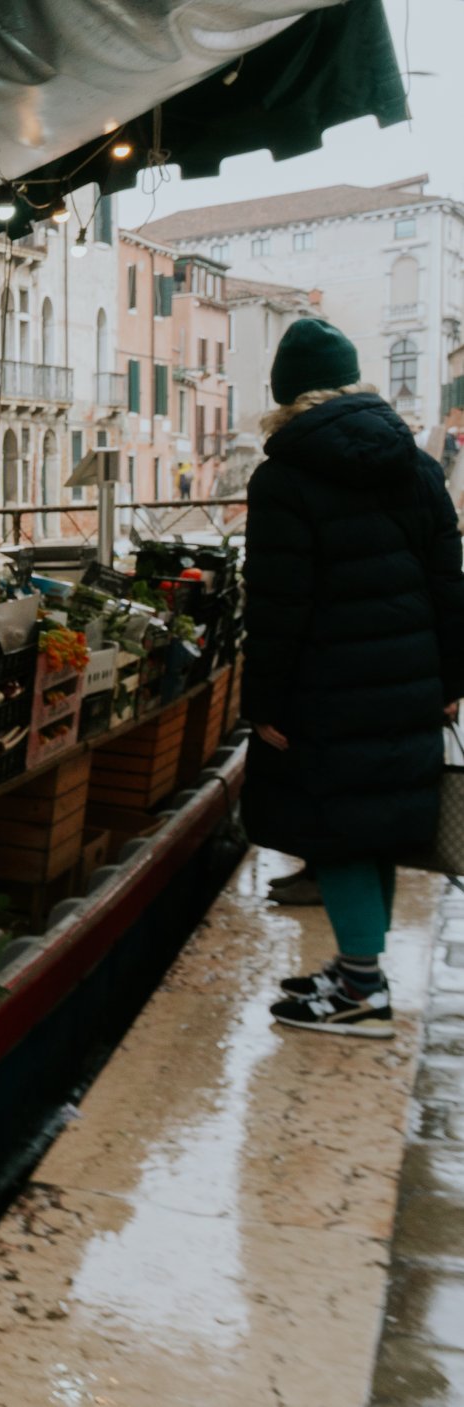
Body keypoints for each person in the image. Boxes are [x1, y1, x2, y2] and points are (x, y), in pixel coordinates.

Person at [246, 318, 464, 1038]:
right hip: (409, 683)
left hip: (326, 691)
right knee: (379, 824)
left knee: (338, 830)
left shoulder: (283, 478)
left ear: (286, 394)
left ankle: (360, 993)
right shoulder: (420, 465)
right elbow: (449, 584)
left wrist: (264, 700)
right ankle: (355, 969)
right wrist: (452, 679)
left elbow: (278, 604)